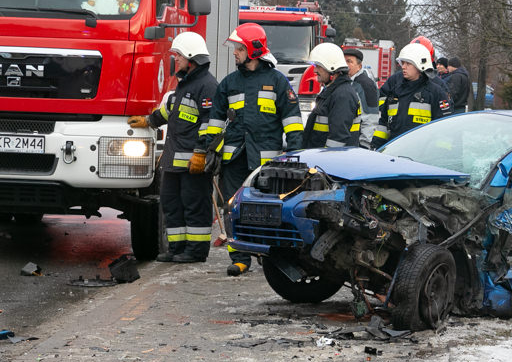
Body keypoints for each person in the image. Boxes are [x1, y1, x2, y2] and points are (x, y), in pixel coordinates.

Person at [204, 23, 303, 276]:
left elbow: (292, 121)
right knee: (232, 206)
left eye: (239, 48)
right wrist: (210, 150)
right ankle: (239, 257)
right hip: (234, 158)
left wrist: (294, 154)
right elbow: (215, 120)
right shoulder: (229, 83)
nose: (235, 53)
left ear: (253, 50)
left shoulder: (277, 82)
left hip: (266, 161)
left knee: (267, 209)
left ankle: (268, 254)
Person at [128, 31, 217, 263]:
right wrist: (149, 121)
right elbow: (171, 112)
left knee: (194, 205)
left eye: (177, 56)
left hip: (192, 163)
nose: (174, 60)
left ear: (191, 58)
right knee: (171, 203)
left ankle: (196, 251)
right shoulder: (183, 85)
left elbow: (211, 124)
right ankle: (177, 248)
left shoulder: (207, 86)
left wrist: (200, 153)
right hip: (173, 162)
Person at [372, 42, 453, 148]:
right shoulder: (395, 92)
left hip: (422, 155)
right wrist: (376, 145)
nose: (403, 67)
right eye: (403, 63)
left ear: (420, 66)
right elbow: (384, 123)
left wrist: (439, 155)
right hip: (395, 151)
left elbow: (444, 128)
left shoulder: (435, 93)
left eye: (408, 64)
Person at [303, 43, 361, 149]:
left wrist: (325, 160)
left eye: (318, 66)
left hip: (330, 161)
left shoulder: (343, 95)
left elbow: (337, 139)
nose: (315, 70)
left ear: (332, 68)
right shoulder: (333, 91)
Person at [343, 48, 380, 149]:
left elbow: (370, 118)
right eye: (344, 61)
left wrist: (364, 145)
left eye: (349, 61)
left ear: (359, 66)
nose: (345, 65)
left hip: (357, 144)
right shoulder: (345, 82)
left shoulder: (365, 85)